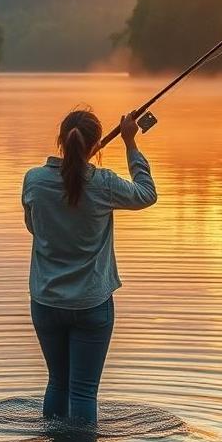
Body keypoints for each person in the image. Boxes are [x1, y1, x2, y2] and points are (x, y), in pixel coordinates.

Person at [22, 107, 157, 425]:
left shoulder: (34, 181)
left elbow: (35, 229)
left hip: (46, 301)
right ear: (96, 145)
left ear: (60, 141)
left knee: (57, 383)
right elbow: (147, 194)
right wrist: (130, 143)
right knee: (82, 393)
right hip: (91, 304)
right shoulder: (104, 184)